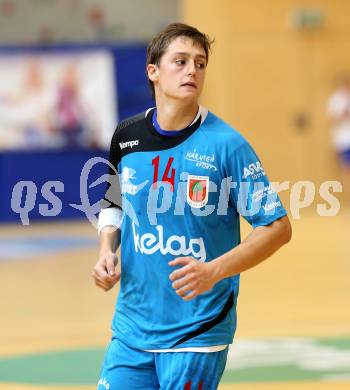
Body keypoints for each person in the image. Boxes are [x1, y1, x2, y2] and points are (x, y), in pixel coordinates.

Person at [93, 23, 292, 390]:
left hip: (196, 331)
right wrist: (107, 249)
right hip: (131, 329)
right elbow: (113, 203)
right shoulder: (126, 137)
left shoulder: (227, 145)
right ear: (153, 71)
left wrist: (213, 271)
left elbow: (277, 227)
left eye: (200, 64)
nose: (192, 71)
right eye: (181, 61)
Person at [327, 75, 350, 203]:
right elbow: (332, 118)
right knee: (346, 170)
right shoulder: (337, 98)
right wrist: (343, 114)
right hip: (344, 140)